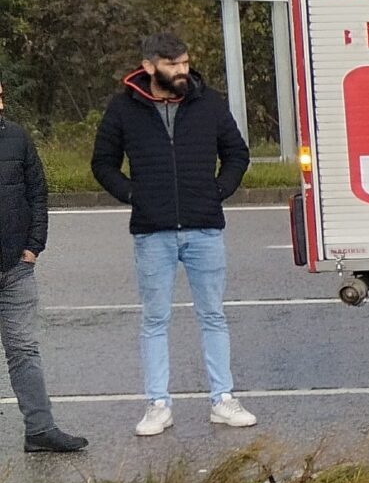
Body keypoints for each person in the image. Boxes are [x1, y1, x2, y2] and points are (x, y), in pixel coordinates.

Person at [91, 31, 255, 437]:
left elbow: (237, 153)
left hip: (204, 228)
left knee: (213, 315)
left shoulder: (208, 103)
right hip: (152, 232)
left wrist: (218, 191)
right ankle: (157, 404)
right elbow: (103, 163)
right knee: (154, 319)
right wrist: (133, 194)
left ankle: (223, 399)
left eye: (185, 63)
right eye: (173, 65)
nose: (183, 71)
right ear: (149, 67)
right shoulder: (123, 108)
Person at [0, 74, 86, 454]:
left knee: (24, 352)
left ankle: (39, 429)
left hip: (16, 268)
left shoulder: (17, 137)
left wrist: (33, 246)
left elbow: (37, 191)